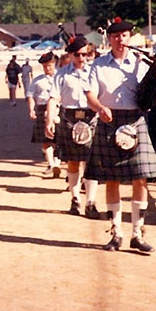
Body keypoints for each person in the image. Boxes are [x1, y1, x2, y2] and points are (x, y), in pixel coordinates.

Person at [84, 17, 156, 253]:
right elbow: (90, 95)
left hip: (135, 121)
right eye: (115, 36)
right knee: (111, 179)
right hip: (109, 120)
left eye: (124, 35)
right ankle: (116, 233)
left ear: (129, 37)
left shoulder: (142, 63)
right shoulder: (98, 65)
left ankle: (137, 233)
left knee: (141, 179)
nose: (120, 40)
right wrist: (99, 107)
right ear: (110, 39)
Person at [45, 36, 100, 218]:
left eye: (86, 54)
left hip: (92, 118)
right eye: (78, 55)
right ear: (70, 55)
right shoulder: (61, 74)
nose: (82, 58)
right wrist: (50, 120)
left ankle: (91, 202)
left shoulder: (95, 72)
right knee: (73, 162)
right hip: (69, 118)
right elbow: (53, 98)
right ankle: (75, 199)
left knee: (92, 163)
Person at [27, 52, 60, 178]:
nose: (47, 68)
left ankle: (57, 163)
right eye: (45, 66)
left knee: (60, 140)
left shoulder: (61, 77)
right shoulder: (37, 81)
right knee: (45, 140)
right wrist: (31, 109)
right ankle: (51, 164)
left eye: (49, 65)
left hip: (59, 109)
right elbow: (31, 96)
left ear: (54, 63)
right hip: (42, 109)